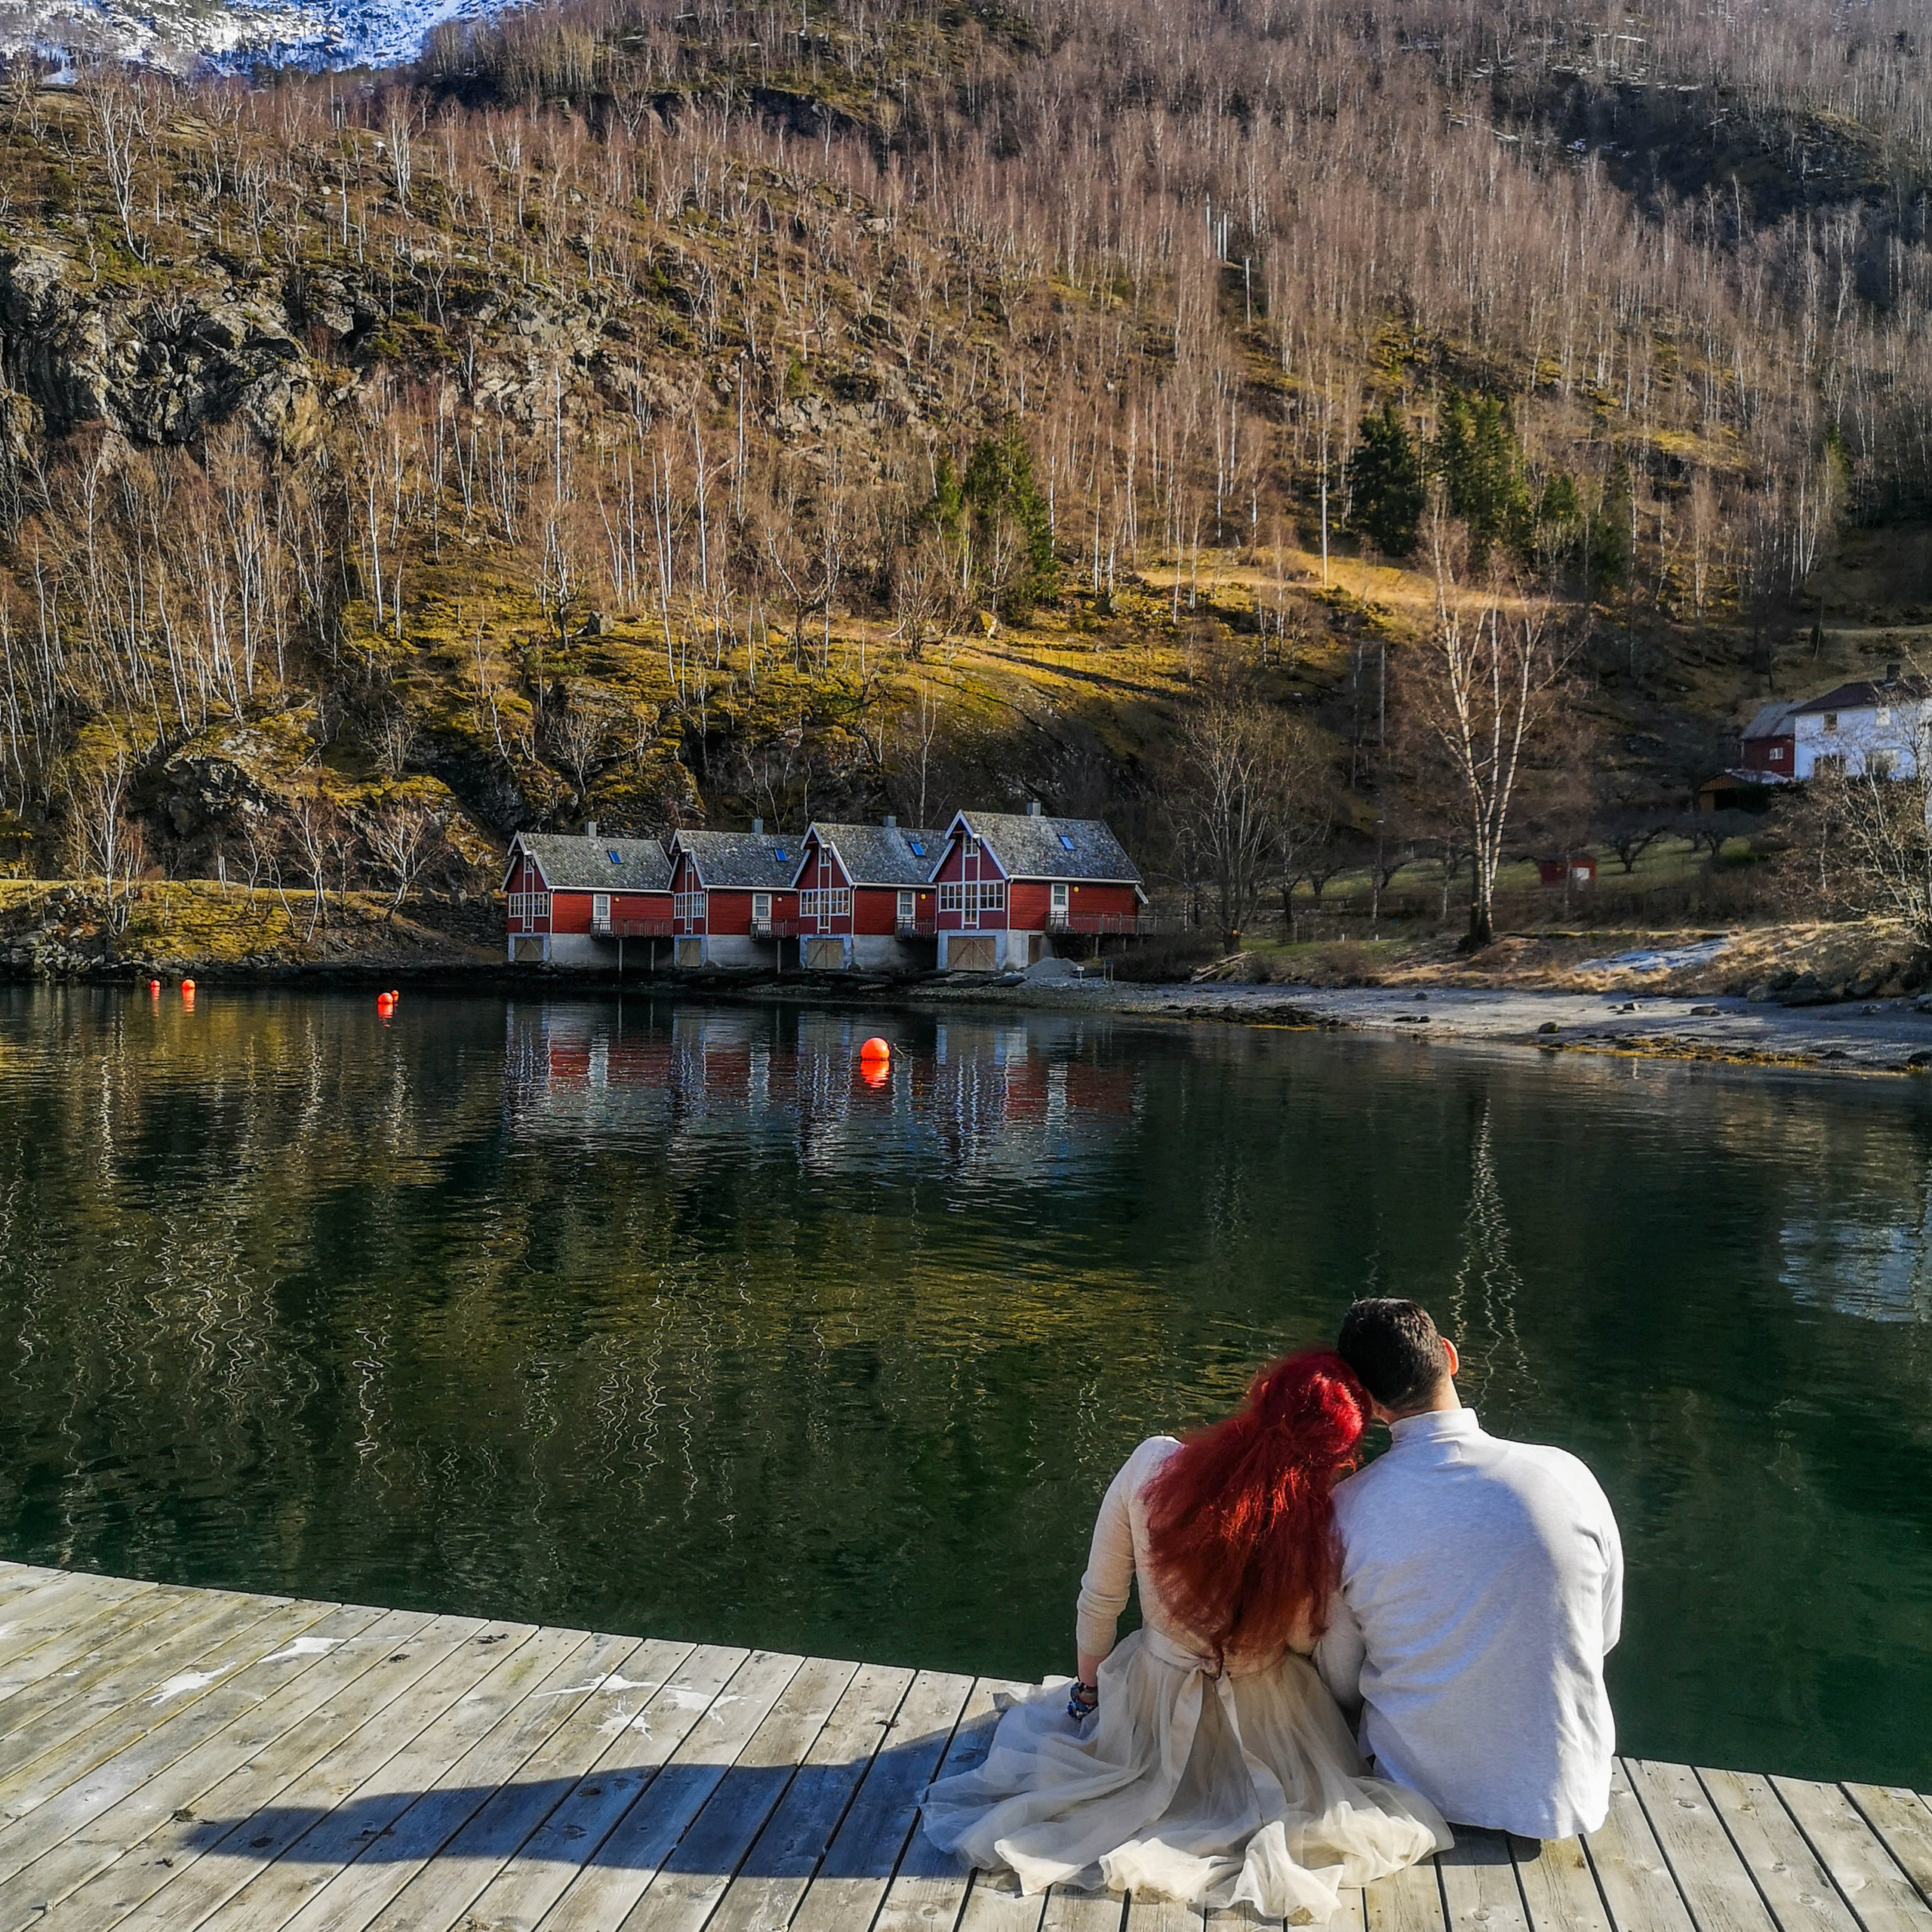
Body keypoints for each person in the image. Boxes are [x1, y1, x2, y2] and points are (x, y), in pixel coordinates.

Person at [919, 1352, 1451, 1921]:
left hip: (1153, 1701)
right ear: (1337, 1455)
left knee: (1074, 1777)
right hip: (1270, 1722)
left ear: (1262, 1395)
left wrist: (1089, 1695)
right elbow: (1305, 1640)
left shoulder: (1152, 1466)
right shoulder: (1320, 1524)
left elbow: (1100, 1600)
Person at [1316, 1298, 1624, 1841]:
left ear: (1366, 1405)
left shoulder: (1346, 1511)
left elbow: (1340, 1683)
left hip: (1411, 1798)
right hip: (1559, 1805)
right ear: (1451, 1359)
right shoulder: (1569, 1479)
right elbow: (1602, 1636)